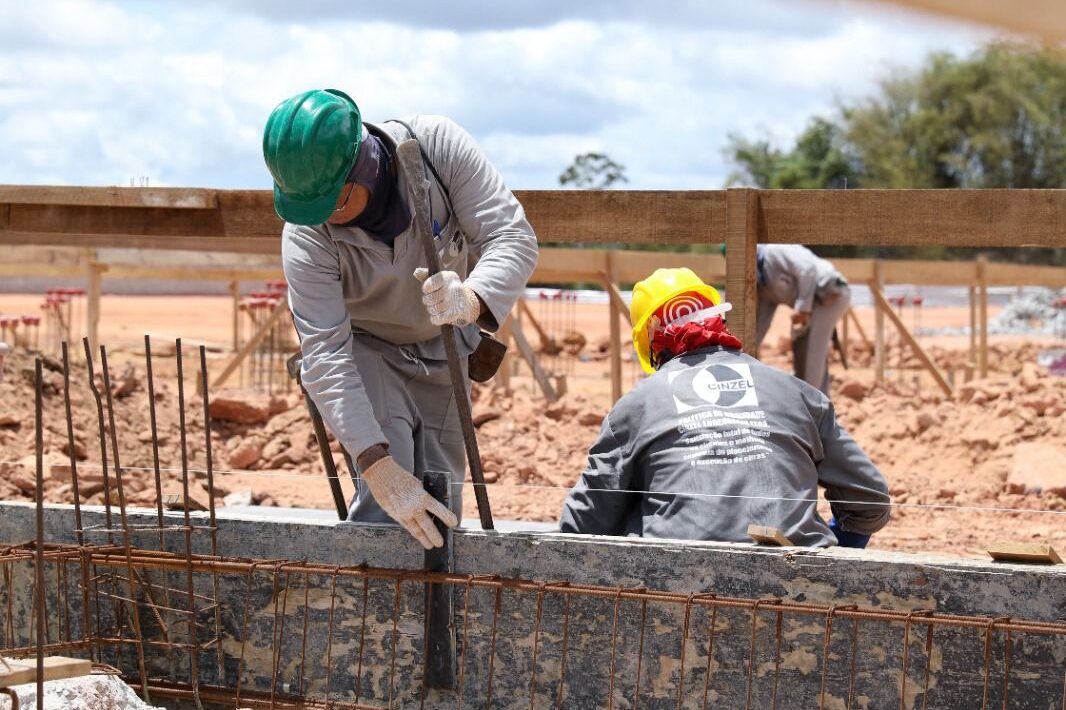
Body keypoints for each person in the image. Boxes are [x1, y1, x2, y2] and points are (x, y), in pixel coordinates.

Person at [263, 89, 538, 549]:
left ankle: (436, 618)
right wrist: (377, 466)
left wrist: (470, 299)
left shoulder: (436, 150)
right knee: (386, 508)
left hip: (445, 342)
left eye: (330, 204)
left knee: (439, 504)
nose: (321, 220)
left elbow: (511, 236)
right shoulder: (307, 234)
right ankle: (372, 614)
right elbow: (326, 354)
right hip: (367, 349)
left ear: (363, 168)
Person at [558, 268, 889, 547]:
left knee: (636, 506)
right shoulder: (799, 393)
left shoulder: (637, 406)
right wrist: (833, 550)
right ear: (718, 317)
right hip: (797, 592)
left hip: (680, 596)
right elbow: (870, 500)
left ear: (651, 335)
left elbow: (583, 526)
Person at [754, 244, 851, 395]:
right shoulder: (761, 281)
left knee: (811, 355)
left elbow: (807, 269)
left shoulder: (774, 253)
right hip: (814, 305)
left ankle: (809, 407)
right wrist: (746, 348)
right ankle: (820, 407)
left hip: (829, 295)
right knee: (810, 353)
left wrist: (802, 309)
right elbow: (761, 320)